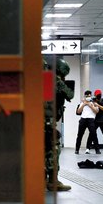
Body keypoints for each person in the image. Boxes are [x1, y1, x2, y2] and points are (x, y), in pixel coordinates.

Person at [44, 58, 74, 191]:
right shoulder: (54, 80)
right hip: (45, 122)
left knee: (45, 150)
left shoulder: (45, 79)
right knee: (54, 149)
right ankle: (52, 180)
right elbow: (70, 94)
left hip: (43, 122)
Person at [85, 89, 103, 154]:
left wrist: (98, 105)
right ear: (95, 95)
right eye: (97, 95)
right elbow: (86, 101)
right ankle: (88, 148)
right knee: (91, 134)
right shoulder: (92, 100)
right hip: (95, 120)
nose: (99, 97)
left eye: (99, 95)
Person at [74, 90, 100, 155]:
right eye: (87, 96)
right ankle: (77, 150)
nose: (88, 97)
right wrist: (84, 104)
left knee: (94, 134)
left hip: (91, 119)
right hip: (83, 119)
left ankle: (97, 150)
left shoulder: (94, 103)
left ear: (91, 96)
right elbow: (78, 112)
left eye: (89, 95)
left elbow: (96, 111)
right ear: (85, 96)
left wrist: (90, 105)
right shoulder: (82, 103)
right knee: (80, 135)